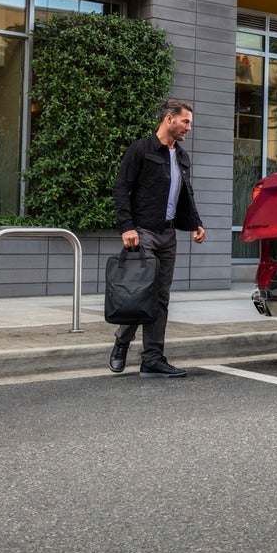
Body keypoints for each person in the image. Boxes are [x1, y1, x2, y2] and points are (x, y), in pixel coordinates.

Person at [108, 99, 206, 378]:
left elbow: (187, 194)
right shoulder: (141, 149)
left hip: (168, 234)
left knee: (160, 297)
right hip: (143, 232)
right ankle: (123, 341)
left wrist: (196, 223)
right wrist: (127, 226)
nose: (189, 127)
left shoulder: (183, 157)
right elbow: (121, 188)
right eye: (185, 122)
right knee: (142, 294)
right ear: (168, 119)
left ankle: (152, 358)